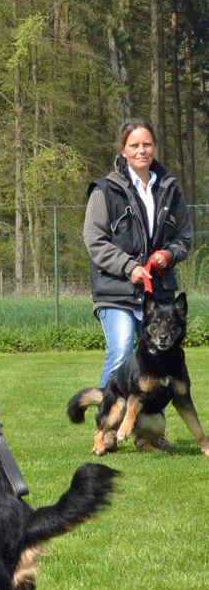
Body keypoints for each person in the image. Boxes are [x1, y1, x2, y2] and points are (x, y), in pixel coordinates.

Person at [83, 118, 192, 426]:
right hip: (115, 290)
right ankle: (106, 426)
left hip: (157, 294)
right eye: (134, 145)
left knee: (164, 360)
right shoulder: (105, 190)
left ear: (154, 147)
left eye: (147, 144)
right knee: (120, 351)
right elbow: (93, 239)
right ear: (123, 150)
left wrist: (166, 256)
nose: (142, 150)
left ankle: (150, 429)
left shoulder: (170, 189)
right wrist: (129, 267)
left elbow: (184, 237)